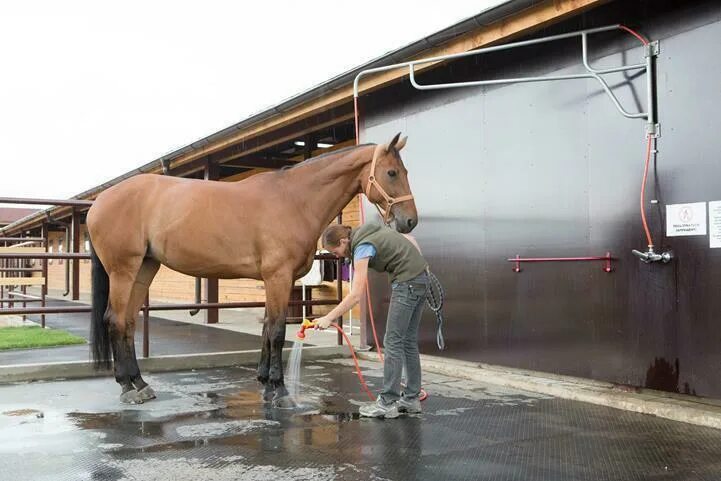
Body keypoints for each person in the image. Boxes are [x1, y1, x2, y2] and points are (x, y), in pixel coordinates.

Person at [314, 222, 429, 419]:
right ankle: (411, 399)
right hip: (420, 278)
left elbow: (356, 295)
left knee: (392, 341)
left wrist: (328, 317)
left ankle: (387, 403)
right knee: (407, 340)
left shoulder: (362, 247)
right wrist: (417, 266)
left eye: (336, 251)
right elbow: (411, 239)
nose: (337, 256)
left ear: (343, 241)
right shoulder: (369, 230)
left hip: (407, 284)